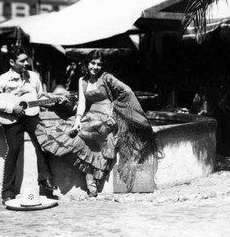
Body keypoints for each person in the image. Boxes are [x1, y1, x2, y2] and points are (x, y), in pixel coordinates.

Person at [36, 49, 157, 196]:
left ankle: (91, 182)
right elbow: (82, 103)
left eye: (99, 64)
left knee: (90, 134)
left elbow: (127, 91)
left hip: (105, 118)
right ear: (87, 64)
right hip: (89, 116)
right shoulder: (82, 80)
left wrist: (117, 109)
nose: (95, 67)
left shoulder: (106, 78)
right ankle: (90, 180)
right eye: (92, 63)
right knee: (69, 134)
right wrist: (77, 121)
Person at [0, 45, 56, 205]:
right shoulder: (2, 80)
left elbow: (39, 97)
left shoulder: (33, 77)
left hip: (31, 116)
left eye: (26, 59)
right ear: (11, 62)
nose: (26, 63)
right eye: (22, 61)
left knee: (42, 141)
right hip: (11, 118)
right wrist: (11, 107)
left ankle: (45, 179)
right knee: (14, 148)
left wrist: (53, 100)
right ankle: (7, 191)